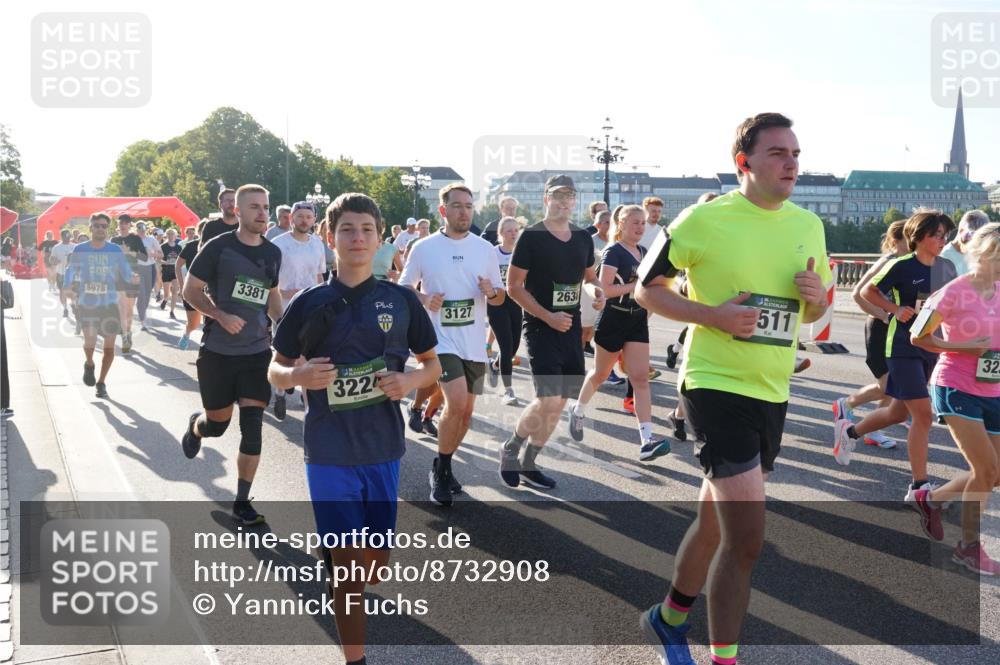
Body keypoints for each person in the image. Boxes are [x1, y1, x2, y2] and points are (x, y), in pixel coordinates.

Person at [634, 113, 831, 665]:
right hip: (715, 385)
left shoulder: (808, 225)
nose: (791, 162)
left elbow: (816, 309)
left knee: (714, 521)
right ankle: (725, 659)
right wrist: (712, 316)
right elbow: (648, 289)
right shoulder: (705, 218)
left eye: (795, 153)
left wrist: (817, 298)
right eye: (777, 153)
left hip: (772, 389)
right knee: (746, 539)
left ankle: (668, 617)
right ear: (743, 163)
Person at [269, 192, 440, 665]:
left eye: (366, 229)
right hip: (327, 450)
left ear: (380, 238)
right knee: (347, 573)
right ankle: (355, 659)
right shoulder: (309, 302)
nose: (357, 238)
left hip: (383, 447)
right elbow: (275, 369)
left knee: (374, 568)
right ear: (330, 238)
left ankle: (343, 570)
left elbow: (432, 365)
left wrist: (409, 379)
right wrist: (297, 377)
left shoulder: (402, 300)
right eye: (347, 229)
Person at [833, 210, 957, 502]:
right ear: (919, 237)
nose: (942, 240)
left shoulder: (948, 267)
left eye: (944, 235)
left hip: (931, 346)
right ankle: (919, 486)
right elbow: (867, 290)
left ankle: (849, 433)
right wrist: (894, 309)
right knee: (923, 416)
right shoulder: (902, 266)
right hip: (902, 347)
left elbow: (953, 302)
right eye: (937, 235)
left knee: (897, 412)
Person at [180, 184, 283, 526]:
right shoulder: (217, 248)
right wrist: (220, 315)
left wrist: (287, 328)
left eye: (266, 206)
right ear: (237, 211)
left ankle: (242, 500)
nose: (262, 213)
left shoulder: (272, 254)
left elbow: (272, 297)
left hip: (256, 353)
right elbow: (190, 290)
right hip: (219, 354)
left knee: (253, 429)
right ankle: (196, 428)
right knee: (218, 426)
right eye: (254, 206)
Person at [499, 174, 605, 490]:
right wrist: (547, 316)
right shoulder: (531, 237)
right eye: (557, 195)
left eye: (569, 195)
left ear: (575, 201)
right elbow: (514, 287)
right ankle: (511, 448)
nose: (563, 201)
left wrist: (596, 291)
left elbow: (589, 278)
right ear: (546, 199)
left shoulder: (583, 239)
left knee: (559, 403)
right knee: (549, 398)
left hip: (570, 329)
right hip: (540, 326)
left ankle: (530, 462)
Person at [400, 183, 504, 506]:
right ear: (443, 211)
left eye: (469, 206)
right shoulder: (424, 248)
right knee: (456, 403)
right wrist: (424, 297)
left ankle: (442, 464)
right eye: (457, 206)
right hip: (440, 340)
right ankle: (443, 470)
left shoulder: (484, 249)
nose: (464, 212)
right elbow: (403, 288)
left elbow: (500, 298)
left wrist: (491, 292)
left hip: (474, 342)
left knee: (466, 415)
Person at [908, 222, 1000, 574]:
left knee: (995, 473)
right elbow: (918, 336)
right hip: (956, 385)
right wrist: (961, 346)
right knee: (986, 469)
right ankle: (968, 548)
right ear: (986, 255)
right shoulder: (952, 293)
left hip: (994, 387)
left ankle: (931, 499)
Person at [569, 205, 670, 460]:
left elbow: (649, 289)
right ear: (621, 224)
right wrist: (635, 286)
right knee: (601, 373)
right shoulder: (614, 251)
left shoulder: (644, 252)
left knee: (640, 379)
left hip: (636, 321)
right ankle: (578, 410)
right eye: (634, 222)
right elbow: (605, 289)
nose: (640, 227)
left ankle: (647, 440)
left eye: (642, 223)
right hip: (613, 318)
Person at [831, 220, 909, 449]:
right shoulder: (887, 261)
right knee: (887, 385)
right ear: (896, 240)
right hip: (879, 329)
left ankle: (874, 431)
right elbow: (857, 294)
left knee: (893, 385)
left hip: (897, 330)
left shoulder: (908, 262)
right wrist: (884, 316)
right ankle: (846, 403)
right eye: (909, 237)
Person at [62, 213, 139, 399]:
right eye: (97, 225)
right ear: (90, 228)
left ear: (107, 229)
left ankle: (101, 382)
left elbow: (125, 270)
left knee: (109, 347)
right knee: (89, 342)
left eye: (104, 226)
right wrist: (67, 286)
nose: (100, 229)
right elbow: (71, 270)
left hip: (110, 304)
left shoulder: (114, 250)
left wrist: (133, 277)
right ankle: (89, 364)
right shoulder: (81, 249)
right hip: (88, 304)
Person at [271, 201, 327, 420]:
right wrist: (283, 293)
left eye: (308, 217)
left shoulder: (317, 244)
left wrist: (324, 297)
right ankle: (280, 393)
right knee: (285, 354)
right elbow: (269, 279)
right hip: (284, 307)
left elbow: (320, 275)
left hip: (312, 307)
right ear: (291, 218)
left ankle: (309, 409)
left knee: (307, 356)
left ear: (314, 220)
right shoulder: (278, 244)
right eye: (300, 216)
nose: (304, 220)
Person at [486, 217, 523, 405]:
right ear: (500, 234)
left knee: (514, 345)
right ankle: (508, 390)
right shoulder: (492, 253)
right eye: (508, 230)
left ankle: (494, 365)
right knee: (506, 345)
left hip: (516, 302)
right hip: (496, 303)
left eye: (516, 230)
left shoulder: (522, 253)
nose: (513, 233)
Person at [109, 214, 147, 353]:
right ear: (118, 225)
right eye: (120, 223)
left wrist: (129, 252)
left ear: (129, 225)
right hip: (118, 276)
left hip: (133, 276)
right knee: (122, 308)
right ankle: (125, 336)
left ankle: (128, 332)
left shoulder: (135, 239)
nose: (123, 225)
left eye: (125, 223)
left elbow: (144, 256)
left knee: (130, 309)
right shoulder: (114, 240)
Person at [175, 219, 208, 350]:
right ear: (199, 232)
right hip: (192, 289)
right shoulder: (190, 246)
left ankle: (207, 346)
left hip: (211, 290)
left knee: (211, 321)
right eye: (204, 231)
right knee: (194, 323)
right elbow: (178, 266)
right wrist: (182, 286)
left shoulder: (218, 246)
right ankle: (187, 333)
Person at [941, 209, 991, 278]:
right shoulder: (943, 257)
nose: (977, 244)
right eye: (973, 238)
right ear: (961, 231)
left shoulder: (981, 257)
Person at [134, 222, 162, 330]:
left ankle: (142, 312)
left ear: (146, 228)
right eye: (139, 227)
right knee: (141, 294)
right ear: (136, 229)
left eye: (143, 227)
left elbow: (161, 254)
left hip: (150, 268)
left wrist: (151, 254)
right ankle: (142, 320)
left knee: (147, 295)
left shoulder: (151, 240)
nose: (141, 229)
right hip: (137, 268)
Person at [49, 230, 76, 318]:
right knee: (62, 292)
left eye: (69, 236)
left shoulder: (75, 246)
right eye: (65, 236)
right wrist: (55, 261)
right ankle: (65, 309)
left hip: (73, 273)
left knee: (73, 291)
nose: (67, 237)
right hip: (61, 273)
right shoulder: (56, 247)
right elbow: (51, 259)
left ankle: (73, 304)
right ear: (62, 236)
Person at [159, 228, 182, 320]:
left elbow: (181, 260)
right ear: (166, 235)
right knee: (166, 294)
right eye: (169, 234)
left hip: (175, 271)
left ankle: (172, 311)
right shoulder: (163, 247)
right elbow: (158, 259)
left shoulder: (178, 248)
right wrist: (165, 262)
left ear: (176, 236)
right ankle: (165, 300)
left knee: (175, 290)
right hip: (166, 270)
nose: (171, 236)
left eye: (172, 234)